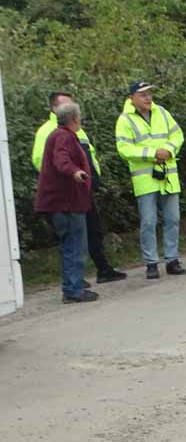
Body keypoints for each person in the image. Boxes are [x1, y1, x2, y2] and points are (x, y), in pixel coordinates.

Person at [32, 91, 127, 284]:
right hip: (67, 194)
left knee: (91, 232)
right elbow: (51, 160)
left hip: (82, 190)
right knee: (74, 242)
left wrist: (93, 177)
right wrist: (73, 174)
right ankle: (75, 284)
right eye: (66, 105)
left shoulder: (74, 131)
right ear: (54, 109)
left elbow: (88, 156)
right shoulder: (51, 132)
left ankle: (99, 270)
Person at [115, 81, 186, 279]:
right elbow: (124, 149)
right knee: (149, 222)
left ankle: (172, 260)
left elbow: (178, 135)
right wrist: (153, 154)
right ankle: (151, 263)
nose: (148, 98)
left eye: (149, 93)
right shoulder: (125, 120)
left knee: (173, 219)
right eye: (142, 94)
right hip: (145, 179)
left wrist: (169, 150)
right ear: (132, 98)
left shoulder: (162, 112)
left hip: (168, 176)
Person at [35, 102, 98, 304]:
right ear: (75, 118)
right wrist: (76, 172)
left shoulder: (57, 134)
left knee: (68, 245)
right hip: (67, 202)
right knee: (75, 245)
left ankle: (71, 287)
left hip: (61, 202)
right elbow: (61, 160)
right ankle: (74, 289)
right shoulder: (63, 136)